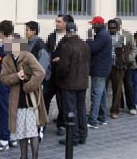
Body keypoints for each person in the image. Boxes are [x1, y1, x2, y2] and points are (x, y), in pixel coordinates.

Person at [0, 36, 47, 159]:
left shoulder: (27, 55)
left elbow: (40, 72)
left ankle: (34, 157)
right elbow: (3, 78)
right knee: (21, 131)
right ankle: (23, 156)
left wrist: (28, 86)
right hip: (17, 100)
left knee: (32, 131)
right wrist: (16, 76)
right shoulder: (6, 59)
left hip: (30, 98)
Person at [55, 18, 90, 146]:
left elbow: (63, 67)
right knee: (81, 109)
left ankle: (73, 137)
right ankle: (82, 135)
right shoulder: (84, 44)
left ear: (67, 32)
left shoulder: (67, 46)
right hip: (82, 82)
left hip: (69, 83)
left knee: (71, 110)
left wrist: (59, 76)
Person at [0, 20, 17, 151]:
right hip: (17, 81)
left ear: (1, 33)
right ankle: (13, 137)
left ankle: (4, 139)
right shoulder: (20, 44)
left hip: (3, 81)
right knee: (13, 109)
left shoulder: (1, 48)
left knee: (3, 110)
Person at [43, 15, 68, 135]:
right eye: (56, 22)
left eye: (59, 22)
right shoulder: (52, 36)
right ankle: (43, 122)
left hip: (63, 74)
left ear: (65, 24)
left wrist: (61, 59)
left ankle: (62, 124)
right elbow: (47, 51)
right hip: (51, 73)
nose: (57, 24)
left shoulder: (70, 37)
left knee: (62, 101)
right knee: (45, 97)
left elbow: (73, 54)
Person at [87, 16, 112, 129]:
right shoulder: (103, 34)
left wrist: (89, 39)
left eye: (93, 24)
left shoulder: (102, 35)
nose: (92, 26)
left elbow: (93, 48)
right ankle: (102, 118)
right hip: (102, 68)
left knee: (96, 95)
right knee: (101, 94)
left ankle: (93, 120)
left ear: (98, 25)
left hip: (99, 69)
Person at [107, 18, 134, 119]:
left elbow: (130, 48)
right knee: (102, 89)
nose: (113, 29)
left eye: (115, 27)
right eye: (111, 27)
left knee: (119, 88)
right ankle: (100, 111)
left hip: (119, 66)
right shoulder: (105, 35)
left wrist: (127, 59)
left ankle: (115, 109)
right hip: (107, 65)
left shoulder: (125, 35)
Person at [114, 18, 137, 115]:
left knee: (128, 85)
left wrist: (129, 58)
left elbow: (134, 48)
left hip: (127, 64)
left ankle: (131, 106)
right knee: (117, 86)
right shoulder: (110, 35)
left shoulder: (128, 34)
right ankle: (120, 105)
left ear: (120, 25)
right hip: (116, 65)